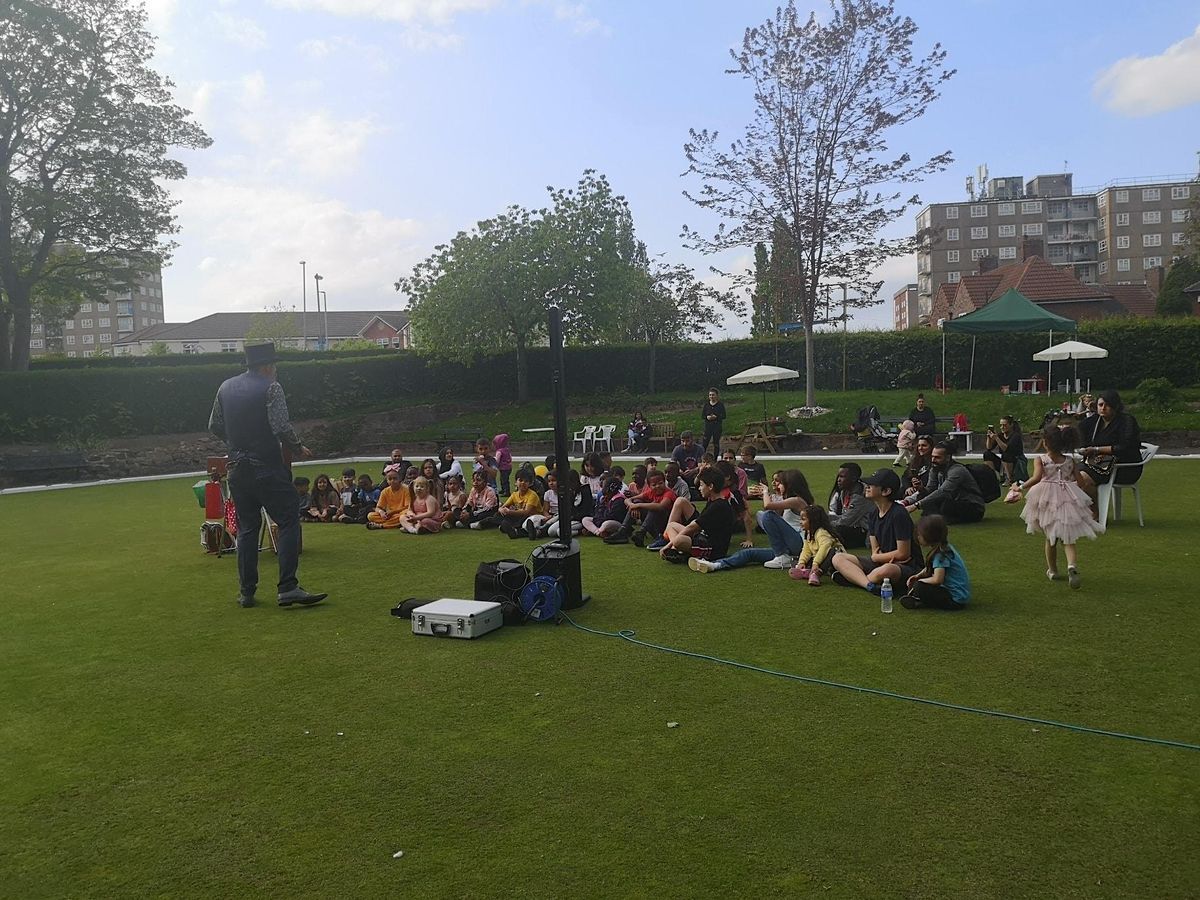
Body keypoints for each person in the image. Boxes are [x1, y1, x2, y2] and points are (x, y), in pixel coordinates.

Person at [207, 341, 327, 609]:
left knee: (248, 529)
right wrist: (298, 447)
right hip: (266, 467)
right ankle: (288, 587)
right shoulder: (271, 387)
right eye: (274, 365)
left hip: (237, 469)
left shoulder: (225, 387)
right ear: (268, 366)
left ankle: (246, 592)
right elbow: (281, 425)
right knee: (287, 520)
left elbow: (214, 426)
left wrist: (237, 443)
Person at [1008, 424, 1103, 589]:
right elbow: (1081, 482)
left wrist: (1020, 487)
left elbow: (1036, 478)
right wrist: (1070, 488)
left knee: (1050, 538)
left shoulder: (1041, 460)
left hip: (1047, 500)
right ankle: (1071, 565)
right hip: (1066, 499)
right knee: (1068, 539)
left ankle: (1052, 570)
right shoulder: (1070, 461)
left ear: (1045, 442)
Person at [830, 468, 918, 594]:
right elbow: (874, 550)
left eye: (872, 485)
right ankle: (869, 584)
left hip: (904, 566)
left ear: (886, 491)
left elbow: (903, 553)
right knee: (838, 558)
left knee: (887, 570)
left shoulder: (899, 514)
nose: (867, 487)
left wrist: (877, 557)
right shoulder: (873, 514)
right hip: (881, 561)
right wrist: (877, 557)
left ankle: (854, 578)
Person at [1076, 389, 1143, 515]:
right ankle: (1085, 511)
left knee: (1083, 478)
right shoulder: (1094, 421)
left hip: (1124, 466)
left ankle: (1095, 512)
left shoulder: (1127, 421)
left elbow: (1125, 447)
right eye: (1100, 405)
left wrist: (1097, 449)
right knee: (1071, 474)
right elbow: (1080, 433)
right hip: (1098, 462)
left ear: (1116, 406)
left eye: (1107, 405)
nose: (1103, 408)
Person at [659, 468, 736, 564]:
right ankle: (677, 552)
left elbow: (694, 526)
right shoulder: (713, 501)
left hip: (712, 549)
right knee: (671, 526)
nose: (699, 488)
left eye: (701, 485)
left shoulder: (719, 506)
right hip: (702, 538)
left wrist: (669, 545)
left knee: (678, 540)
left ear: (711, 486)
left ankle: (679, 552)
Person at [903, 441, 985, 524]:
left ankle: (939, 517)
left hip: (972, 506)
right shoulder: (935, 469)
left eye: (937, 457)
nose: (933, 460)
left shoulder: (957, 471)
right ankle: (939, 517)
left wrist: (915, 506)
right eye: (932, 457)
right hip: (953, 501)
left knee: (944, 504)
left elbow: (943, 492)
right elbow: (930, 489)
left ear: (947, 457)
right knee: (924, 497)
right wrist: (920, 488)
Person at [900, 515, 972, 610]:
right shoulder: (945, 548)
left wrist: (920, 581)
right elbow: (931, 567)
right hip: (959, 596)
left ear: (929, 536)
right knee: (920, 585)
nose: (918, 537)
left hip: (955, 600)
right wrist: (918, 576)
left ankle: (920, 602)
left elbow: (938, 579)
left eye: (920, 535)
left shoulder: (940, 555)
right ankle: (919, 599)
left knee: (920, 587)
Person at [756, 469, 813, 569]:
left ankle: (781, 556)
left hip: (799, 543)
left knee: (767, 515)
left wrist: (765, 491)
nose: (777, 486)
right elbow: (777, 515)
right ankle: (720, 563)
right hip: (791, 541)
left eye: (780, 483)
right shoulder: (790, 499)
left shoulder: (797, 500)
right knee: (748, 553)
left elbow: (767, 506)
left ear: (789, 485)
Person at [604, 470, 677, 546]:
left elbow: (661, 506)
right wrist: (633, 506)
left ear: (664, 482)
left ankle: (641, 532)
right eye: (654, 485)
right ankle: (623, 531)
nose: (658, 486)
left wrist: (638, 505)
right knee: (637, 501)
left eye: (660, 483)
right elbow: (627, 500)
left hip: (666, 527)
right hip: (655, 527)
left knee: (653, 506)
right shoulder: (650, 492)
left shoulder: (668, 493)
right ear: (649, 486)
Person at [787, 505, 844, 587]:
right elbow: (806, 550)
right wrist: (801, 562)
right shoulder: (809, 533)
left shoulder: (822, 533)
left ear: (813, 521)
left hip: (834, 559)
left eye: (803, 519)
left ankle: (816, 573)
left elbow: (824, 549)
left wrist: (816, 563)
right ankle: (805, 570)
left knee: (833, 551)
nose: (800, 522)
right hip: (819, 558)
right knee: (795, 559)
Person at [828, 463, 871, 548]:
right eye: (838, 476)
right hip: (851, 526)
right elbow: (844, 516)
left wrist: (825, 524)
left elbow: (847, 521)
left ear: (854, 478)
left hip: (862, 532)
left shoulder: (861, 496)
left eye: (842, 477)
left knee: (836, 530)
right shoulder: (845, 491)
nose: (838, 480)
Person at [983, 415, 1026, 485]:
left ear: (1011, 425)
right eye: (1001, 425)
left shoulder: (1016, 436)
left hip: (1016, 463)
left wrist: (996, 438)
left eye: (1004, 425)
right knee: (987, 454)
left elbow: (1006, 448)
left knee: (1006, 454)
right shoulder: (1000, 435)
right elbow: (989, 448)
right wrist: (989, 437)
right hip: (1004, 463)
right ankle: (992, 478)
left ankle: (1009, 479)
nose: (1002, 427)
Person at [366, 465, 411, 529]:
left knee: (405, 515)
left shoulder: (406, 489)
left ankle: (381, 525)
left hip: (401, 513)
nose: (392, 481)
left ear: (400, 479)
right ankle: (395, 524)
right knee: (370, 516)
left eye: (395, 478)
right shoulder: (385, 491)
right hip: (389, 515)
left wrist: (393, 512)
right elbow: (378, 507)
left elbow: (407, 507)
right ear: (387, 481)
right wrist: (381, 512)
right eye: (390, 479)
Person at [903, 436, 935, 500]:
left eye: (924, 445)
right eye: (919, 446)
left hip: (926, 492)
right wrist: (908, 487)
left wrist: (919, 486)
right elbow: (905, 477)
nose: (920, 448)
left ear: (931, 447)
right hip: (912, 490)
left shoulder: (935, 462)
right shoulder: (915, 461)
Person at [701, 388, 726, 454]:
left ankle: (715, 458)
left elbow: (724, 416)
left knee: (716, 443)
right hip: (708, 427)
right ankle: (702, 457)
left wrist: (716, 417)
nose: (711, 396)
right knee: (705, 443)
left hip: (717, 427)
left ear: (717, 396)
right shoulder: (706, 405)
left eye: (713, 395)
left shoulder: (720, 405)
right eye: (710, 395)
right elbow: (703, 415)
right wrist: (707, 417)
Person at [493, 432, 513, 497]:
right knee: (504, 479)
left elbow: (497, 460)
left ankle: (507, 491)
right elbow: (510, 457)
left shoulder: (499, 451)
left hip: (503, 468)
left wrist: (494, 465)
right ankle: (504, 489)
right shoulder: (506, 449)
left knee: (504, 479)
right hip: (509, 468)